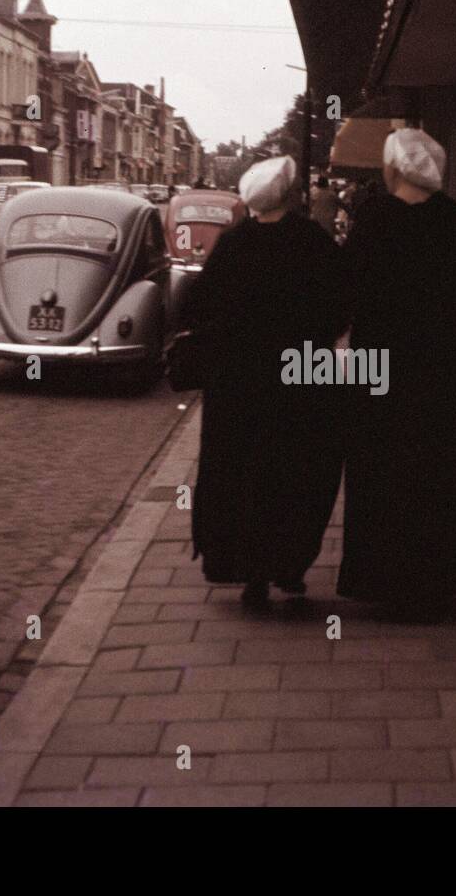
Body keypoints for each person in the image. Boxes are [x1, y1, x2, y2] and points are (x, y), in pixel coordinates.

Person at [337, 129, 456, 621]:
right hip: (449, 376)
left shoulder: (373, 222)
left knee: (380, 471)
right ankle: (431, 582)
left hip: (382, 375)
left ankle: (380, 578)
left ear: (392, 170)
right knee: (441, 475)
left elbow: (345, 292)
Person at [184, 155, 347, 611]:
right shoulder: (312, 242)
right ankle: (289, 566)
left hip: (238, 385)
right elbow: (340, 304)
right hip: (301, 380)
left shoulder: (233, 246)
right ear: (291, 195)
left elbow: (198, 307)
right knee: (298, 473)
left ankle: (248, 570)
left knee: (240, 472)